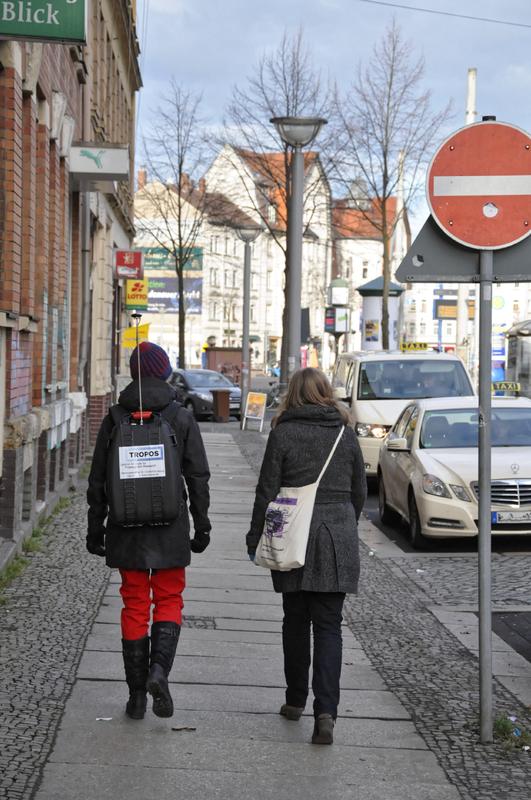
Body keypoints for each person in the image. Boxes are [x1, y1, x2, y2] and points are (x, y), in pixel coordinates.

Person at [86, 341, 211, 721]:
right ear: (163, 371)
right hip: (170, 526)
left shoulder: (114, 417)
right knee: (170, 599)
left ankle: (137, 697)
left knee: (135, 604)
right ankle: (159, 672)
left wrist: (96, 529)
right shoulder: (179, 416)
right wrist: (201, 524)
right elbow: (198, 476)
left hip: (127, 530)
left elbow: (97, 481)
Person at [246, 368, 367, 745]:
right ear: (326, 394)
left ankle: (295, 699)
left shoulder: (283, 433)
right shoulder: (344, 434)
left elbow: (266, 490)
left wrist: (255, 538)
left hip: (292, 535)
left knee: (295, 620)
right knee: (329, 626)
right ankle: (326, 712)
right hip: (336, 537)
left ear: (293, 395)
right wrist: (344, 524)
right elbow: (359, 490)